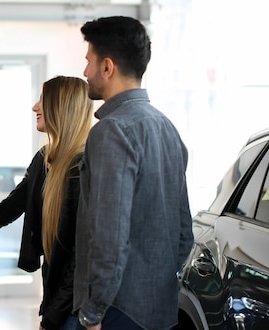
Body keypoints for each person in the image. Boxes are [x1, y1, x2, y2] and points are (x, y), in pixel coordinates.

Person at [0, 76, 94, 330]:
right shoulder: (45, 160)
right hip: (59, 301)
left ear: (62, 106)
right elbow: (8, 208)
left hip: (74, 309)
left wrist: (52, 317)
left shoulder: (82, 169)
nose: (35, 107)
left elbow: (79, 261)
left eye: (42, 100)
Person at [73, 16, 194, 330]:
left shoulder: (111, 131)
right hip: (162, 312)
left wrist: (93, 312)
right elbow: (184, 235)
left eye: (89, 62)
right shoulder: (168, 129)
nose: (85, 72)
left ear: (108, 67)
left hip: (118, 312)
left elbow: (109, 236)